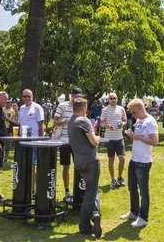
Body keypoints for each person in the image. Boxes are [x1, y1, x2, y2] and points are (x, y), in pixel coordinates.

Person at [120, 99, 158, 228]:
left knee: (143, 191)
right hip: (134, 159)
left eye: (134, 112)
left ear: (141, 109)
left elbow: (154, 141)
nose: (133, 115)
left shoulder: (151, 122)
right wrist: (132, 135)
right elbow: (139, 136)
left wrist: (138, 137)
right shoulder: (140, 120)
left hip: (143, 161)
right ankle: (134, 212)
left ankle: (143, 217)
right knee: (132, 187)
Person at [68, 98, 102, 238]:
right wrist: (98, 138)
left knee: (92, 190)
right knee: (90, 193)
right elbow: (94, 142)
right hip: (90, 161)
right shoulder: (84, 120)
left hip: (79, 162)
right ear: (83, 108)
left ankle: (95, 214)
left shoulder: (71, 121)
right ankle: (85, 225)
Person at [54, 88, 83, 202]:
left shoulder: (81, 106)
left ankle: (79, 190)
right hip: (64, 141)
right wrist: (65, 121)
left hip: (77, 141)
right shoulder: (63, 106)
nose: (78, 98)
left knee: (79, 166)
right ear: (71, 95)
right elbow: (55, 121)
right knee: (66, 166)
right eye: (76, 96)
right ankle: (67, 191)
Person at [17, 89, 45, 195]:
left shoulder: (37, 108)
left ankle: (34, 190)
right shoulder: (22, 108)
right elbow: (21, 124)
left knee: (33, 166)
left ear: (32, 97)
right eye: (24, 96)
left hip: (34, 142)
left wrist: (40, 142)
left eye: (28, 96)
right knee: (24, 166)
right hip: (23, 141)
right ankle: (26, 188)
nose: (26, 98)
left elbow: (41, 125)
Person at [101, 92, 128, 188]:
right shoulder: (105, 110)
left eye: (114, 98)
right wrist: (108, 126)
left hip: (119, 137)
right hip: (109, 138)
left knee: (122, 158)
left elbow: (125, 120)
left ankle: (120, 177)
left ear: (117, 99)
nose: (112, 100)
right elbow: (101, 123)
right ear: (108, 100)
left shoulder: (121, 109)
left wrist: (122, 124)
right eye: (111, 98)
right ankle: (113, 179)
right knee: (111, 159)